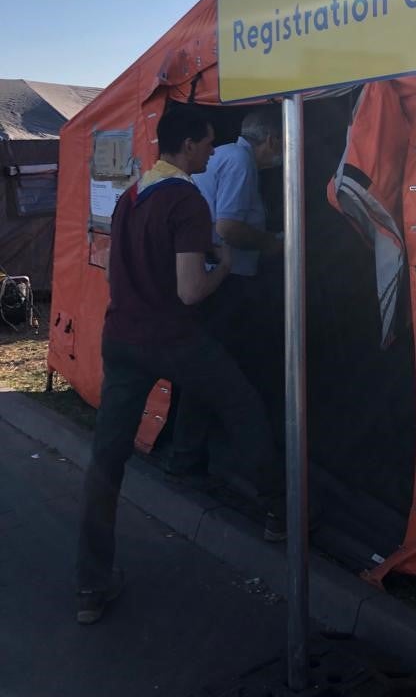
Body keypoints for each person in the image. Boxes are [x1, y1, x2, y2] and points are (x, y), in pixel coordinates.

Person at [75, 105, 284, 626]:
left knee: (106, 463)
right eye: (209, 142)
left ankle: (90, 587)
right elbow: (190, 291)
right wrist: (225, 267)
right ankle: (281, 512)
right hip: (172, 339)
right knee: (242, 403)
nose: (214, 152)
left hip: (120, 338)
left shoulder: (130, 196)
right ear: (188, 145)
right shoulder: (186, 200)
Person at [165, 107, 285, 479]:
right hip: (226, 285)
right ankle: (197, 459)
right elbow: (229, 227)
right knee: (221, 377)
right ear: (272, 139)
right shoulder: (240, 162)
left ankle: (188, 454)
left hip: (213, 280)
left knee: (205, 370)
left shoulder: (228, 159)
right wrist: (275, 244)